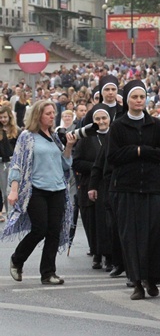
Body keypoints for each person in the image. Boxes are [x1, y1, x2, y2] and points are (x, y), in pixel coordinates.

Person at [3, 100, 78, 285]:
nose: (53, 116)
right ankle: (17, 259)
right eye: (48, 113)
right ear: (38, 116)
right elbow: (17, 164)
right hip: (36, 189)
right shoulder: (27, 136)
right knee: (39, 229)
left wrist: (68, 146)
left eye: (53, 113)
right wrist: (13, 190)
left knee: (54, 230)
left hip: (57, 189)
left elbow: (65, 164)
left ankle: (48, 272)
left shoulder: (53, 136)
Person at [106, 80, 160, 300]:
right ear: (128, 100)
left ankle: (152, 279)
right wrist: (139, 150)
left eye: (142, 97)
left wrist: (137, 151)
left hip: (152, 187)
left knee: (154, 235)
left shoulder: (156, 125)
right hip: (125, 188)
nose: (139, 101)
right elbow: (113, 157)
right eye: (135, 97)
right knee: (130, 236)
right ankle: (136, 282)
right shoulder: (118, 126)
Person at [72, 105, 111, 270]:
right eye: (97, 119)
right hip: (90, 184)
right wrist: (96, 166)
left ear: (109, 120)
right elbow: (77, 162)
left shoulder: (115, 136)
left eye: (104, 118)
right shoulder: (86, 139)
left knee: (109, 222)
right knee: (93, 222)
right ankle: (96, 252)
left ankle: (110, 255)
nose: (101, 122)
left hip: (109, 184)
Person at [0, 104, 19, 222]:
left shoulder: (16, 130)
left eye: (5, 117)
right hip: (2, 162)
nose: (3, 119)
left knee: (10, 188)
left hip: (13, 162)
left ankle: (11, 213)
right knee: (3, 189)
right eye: (1, 117)